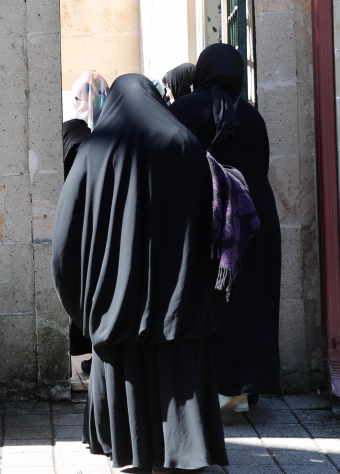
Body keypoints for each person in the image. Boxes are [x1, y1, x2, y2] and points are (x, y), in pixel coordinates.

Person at [52, 74, 229, 472]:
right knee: (176, 350)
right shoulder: (184, 144)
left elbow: (66, 238)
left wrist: (86, 308)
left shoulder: (96, 151)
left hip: (117, 302)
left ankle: (129, 446)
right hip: (179, 304)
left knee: (126, 349)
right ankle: (187, 447)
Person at [170, 43, 283, 412]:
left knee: (209, 300)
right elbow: (261, 166)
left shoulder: (183, 110)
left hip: (207, 221)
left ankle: (209, 387)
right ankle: (248, 387)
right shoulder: (252, 117)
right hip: (255, 220)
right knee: (252, 302)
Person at [61, 71, 109, 368]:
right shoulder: (97, 136)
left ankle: (82, 347)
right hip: (92, 222)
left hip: (68, 219)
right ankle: (95, 351)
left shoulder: (64, 129)